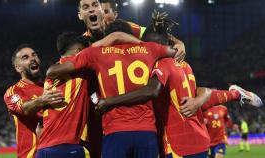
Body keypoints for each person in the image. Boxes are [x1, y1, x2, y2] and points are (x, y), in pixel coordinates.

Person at [46, 20, 179, 158]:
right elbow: (175, 51)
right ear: (129, 34)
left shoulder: (94, 53)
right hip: (146, 132)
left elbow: (52, 71)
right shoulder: (150, 48)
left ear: (107, 36)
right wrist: (179, 43)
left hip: (115, 132)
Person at [35, 33, 91, 158]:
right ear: (79, 51)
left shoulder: (54, 73)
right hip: (65, 146)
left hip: (43, 149)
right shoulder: (82, 68)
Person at [3, 44, 63, 158]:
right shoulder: (14, 91)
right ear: (18, 67)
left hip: (57, 151)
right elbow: (24, 109)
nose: (32, 58)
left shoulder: (50, 85)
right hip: (31, 155)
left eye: (34, 55)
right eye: (25, 57)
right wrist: (43, 99)